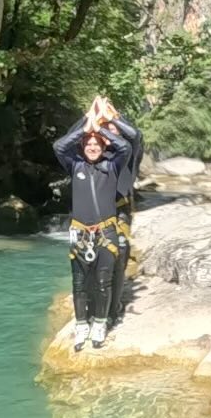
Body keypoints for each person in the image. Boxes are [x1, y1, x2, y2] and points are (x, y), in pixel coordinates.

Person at [53, 97, 132, 351]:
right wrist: (85, 129)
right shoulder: (75, 164)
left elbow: (125, 148)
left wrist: (100, 128)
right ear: (83, 148)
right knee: (79, 283)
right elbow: (59, 146)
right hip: (79, 233)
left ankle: (99, 323)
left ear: (102, 147)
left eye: (97, 145)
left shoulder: (112, 166)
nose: (93, 148)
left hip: (106, 232)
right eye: (88, 145)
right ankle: (81, 325)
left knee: (102, 281)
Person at [109, 109, 144, 325]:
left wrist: (114, 117)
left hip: (119, 210)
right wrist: (90, 117)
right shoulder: (95, 153)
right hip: (94, 213)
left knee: (119, 253)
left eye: (116, 130)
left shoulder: (129, 154)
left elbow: (135, 135)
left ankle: (114, 305)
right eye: (108, 130)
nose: (112, 133)